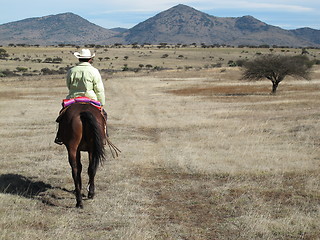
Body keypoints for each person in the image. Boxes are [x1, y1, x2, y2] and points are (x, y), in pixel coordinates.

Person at [55, 49, 108, 145]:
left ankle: (60, 136)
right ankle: (103, 136)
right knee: (103, 115)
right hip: (91, 99)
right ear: (90, 59)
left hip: (73, 99)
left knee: (62, 115)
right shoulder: (94, 71)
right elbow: (99, 89)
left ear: (79, 59)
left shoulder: (72, 71)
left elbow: (69, 85)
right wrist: (102, 103)